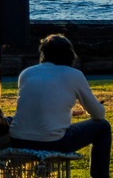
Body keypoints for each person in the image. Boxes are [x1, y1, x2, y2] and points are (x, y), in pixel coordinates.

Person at [9, 34, 110, 178]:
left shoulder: (27, 73)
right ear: (69, 54)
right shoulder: (74, 75)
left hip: (18, 140)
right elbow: (98, 115)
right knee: (103, 127)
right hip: (52, 142)